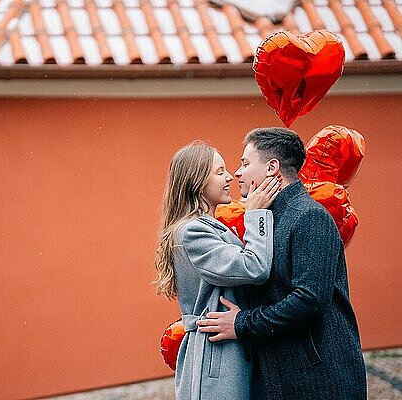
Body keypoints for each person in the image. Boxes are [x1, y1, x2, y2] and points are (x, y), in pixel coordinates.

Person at [197, 127, 367, 399]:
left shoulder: (309, 217)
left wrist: (241, 323)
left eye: (245, 163)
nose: (237, 173)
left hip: (319, 381)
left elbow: (309, 301)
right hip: (285, 378)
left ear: (272, 167)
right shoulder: (265, 220)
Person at [154, 140, 281, 399]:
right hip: (217, 357)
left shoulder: (211, 226)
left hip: (228, 349)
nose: (229, 177)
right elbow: (253, 267)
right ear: (197, 181)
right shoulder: (192, 231)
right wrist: (256, 214)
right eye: (219, 171)